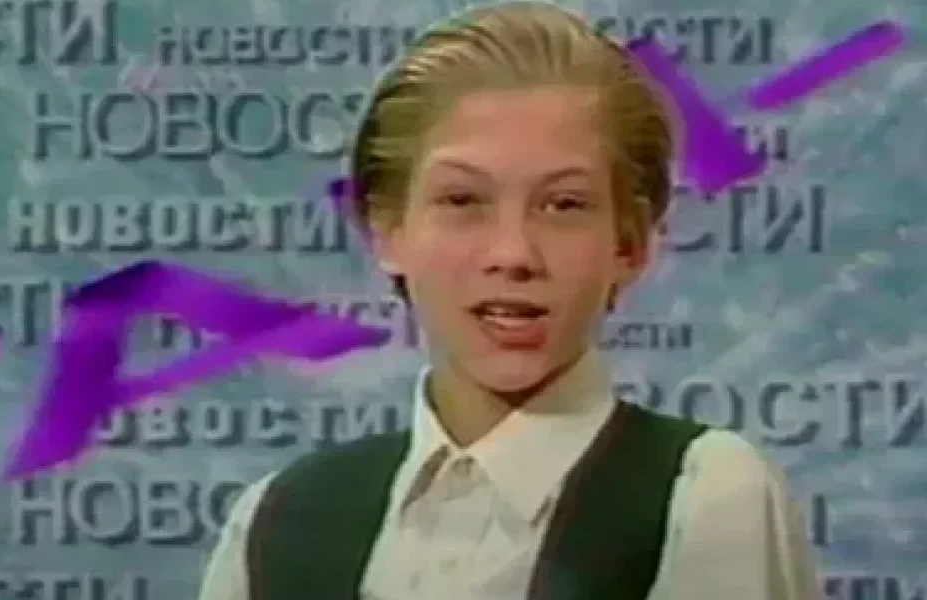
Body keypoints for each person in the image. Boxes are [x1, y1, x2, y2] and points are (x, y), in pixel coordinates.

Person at [197, 2, 819, 599]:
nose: (514, 253)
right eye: (463, 201)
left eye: (564, 205)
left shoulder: (703, 494)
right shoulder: (280, 523)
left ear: (631, 244)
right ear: (385, 230)